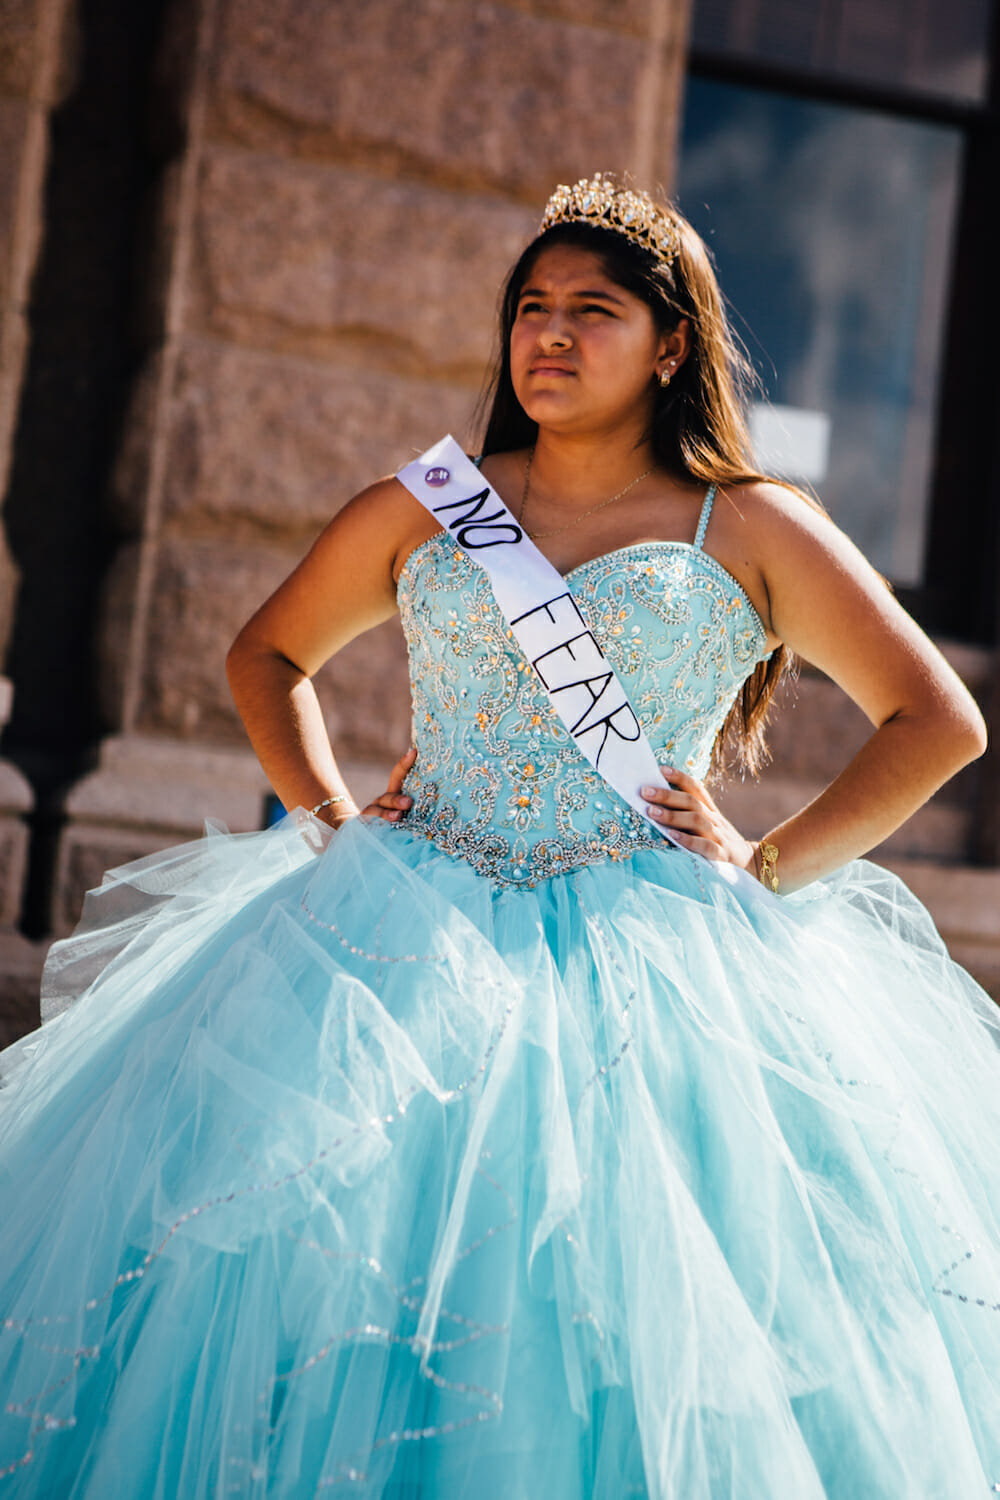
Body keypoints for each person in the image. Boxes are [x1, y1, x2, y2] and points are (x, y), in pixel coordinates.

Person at [1, 173, 998, 1499]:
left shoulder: (750, 526)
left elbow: (936, 721)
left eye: (595, 310)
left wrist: (768, 863)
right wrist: (329, 815)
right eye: (532, 307)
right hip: (395, 941)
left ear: (672, 345)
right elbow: (270, 653)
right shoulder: (431, 499)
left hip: (657, 971)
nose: (551, 335)